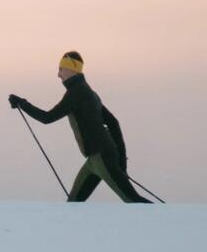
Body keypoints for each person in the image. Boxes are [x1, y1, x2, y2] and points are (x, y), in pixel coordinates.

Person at [8, 51, 148, 203]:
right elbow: (114, 123)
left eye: (61, 69)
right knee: (73, 204)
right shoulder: (88, 93)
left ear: (72, 69)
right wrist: (121, 162)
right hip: (95, 160)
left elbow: (47, 118)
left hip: (102, 158)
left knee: (133, 201)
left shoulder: (77, 93)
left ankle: (166, 218)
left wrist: (22, 103)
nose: (58, 75)